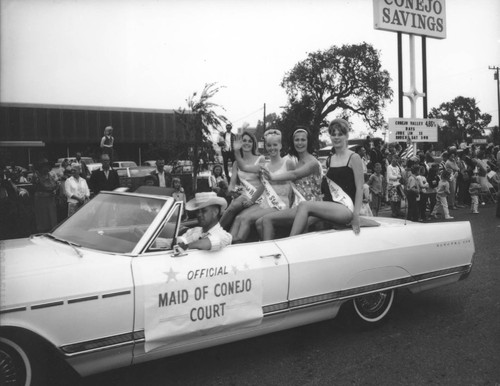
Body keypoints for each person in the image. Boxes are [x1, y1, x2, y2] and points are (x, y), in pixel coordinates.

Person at [288, 119, 364, 236]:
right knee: (305, 222)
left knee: (304, 205)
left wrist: (356, 216)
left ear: (347, 136)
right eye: (333, 134)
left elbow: (360, 188)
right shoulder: (330, 159)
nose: (336, 137)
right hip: (331, 206)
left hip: (346, 209)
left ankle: (289, 243)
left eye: (340, 134)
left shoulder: (354, 157)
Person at [256, 126, 323, 241]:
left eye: (303, 140)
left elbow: (294, 175)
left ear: (308, 141)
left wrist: (272, 176)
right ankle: (273, 251)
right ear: (293, 142)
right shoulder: (296, 161)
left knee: (267, 219)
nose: (299, 143)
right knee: (260, 222)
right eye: (297, 140)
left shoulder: (313, 163)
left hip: (312, 207)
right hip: (297, 206)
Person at [230, 129, 292, 243]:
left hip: (280, 204)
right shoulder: (264, 166)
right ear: (266, 147)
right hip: (266, 203)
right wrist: (237, 150)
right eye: (269, 145)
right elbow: (243, 167)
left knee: (247, 218)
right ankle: (228, 242)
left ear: (280, 145)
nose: (272, 148)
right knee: (241, 217)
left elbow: (295, 183)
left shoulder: (287, 162)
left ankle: (236, 242)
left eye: (275, 144)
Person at [219, 131, 265, 230]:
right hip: (244, 195)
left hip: (259, 196)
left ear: (253, 144)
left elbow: (264, 183)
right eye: (244, 140)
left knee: (233, 206)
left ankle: (216, 231)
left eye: (250, 141)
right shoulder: (236, 163)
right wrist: (233, 191)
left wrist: (251, 200)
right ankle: (219, 232)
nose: (247, 143)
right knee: (233, 207)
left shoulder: (261, 159)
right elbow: (232, 184)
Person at [32, 158, 59, 233]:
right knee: (43, 220)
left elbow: (54, 185)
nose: (47, 168)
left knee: (52, 220)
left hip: (50, 200)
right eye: (45, 166)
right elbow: (45, 186)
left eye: (47, 166)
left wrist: (54, 187)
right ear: (41, 167)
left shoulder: (49, 175)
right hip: (41, 200)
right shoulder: (36, 175)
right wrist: (53, 187)